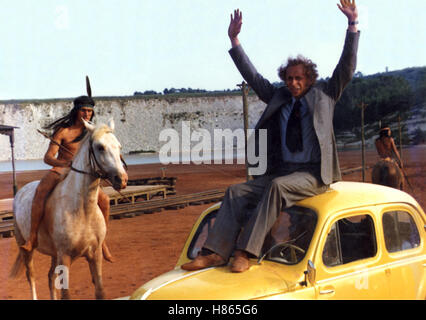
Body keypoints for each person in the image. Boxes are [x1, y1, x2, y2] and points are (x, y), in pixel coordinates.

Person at [182, 0, 360, 273]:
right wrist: (234, 39)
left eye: (299, 78)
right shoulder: (279, 97)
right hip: (283, 172)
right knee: (235, 192)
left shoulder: (326, 94)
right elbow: (253, 77)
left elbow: (346, 67)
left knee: (278, 187)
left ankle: (245, 252)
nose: (293, 83)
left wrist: (352, 25)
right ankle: (215, 252)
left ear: (309, 78)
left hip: (313, 175)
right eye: (289, 78)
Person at [21, 95, 115, 262]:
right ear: (76, 110)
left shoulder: (92, 132)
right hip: (62, 169)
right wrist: (64, 162)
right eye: (84, 110)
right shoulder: (63, 131)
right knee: (41, 191)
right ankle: (32, 237)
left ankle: (102, 242)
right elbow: (48, 157)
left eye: (89, 111)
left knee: (105, 200)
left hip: (83, 174)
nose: (87, 114)